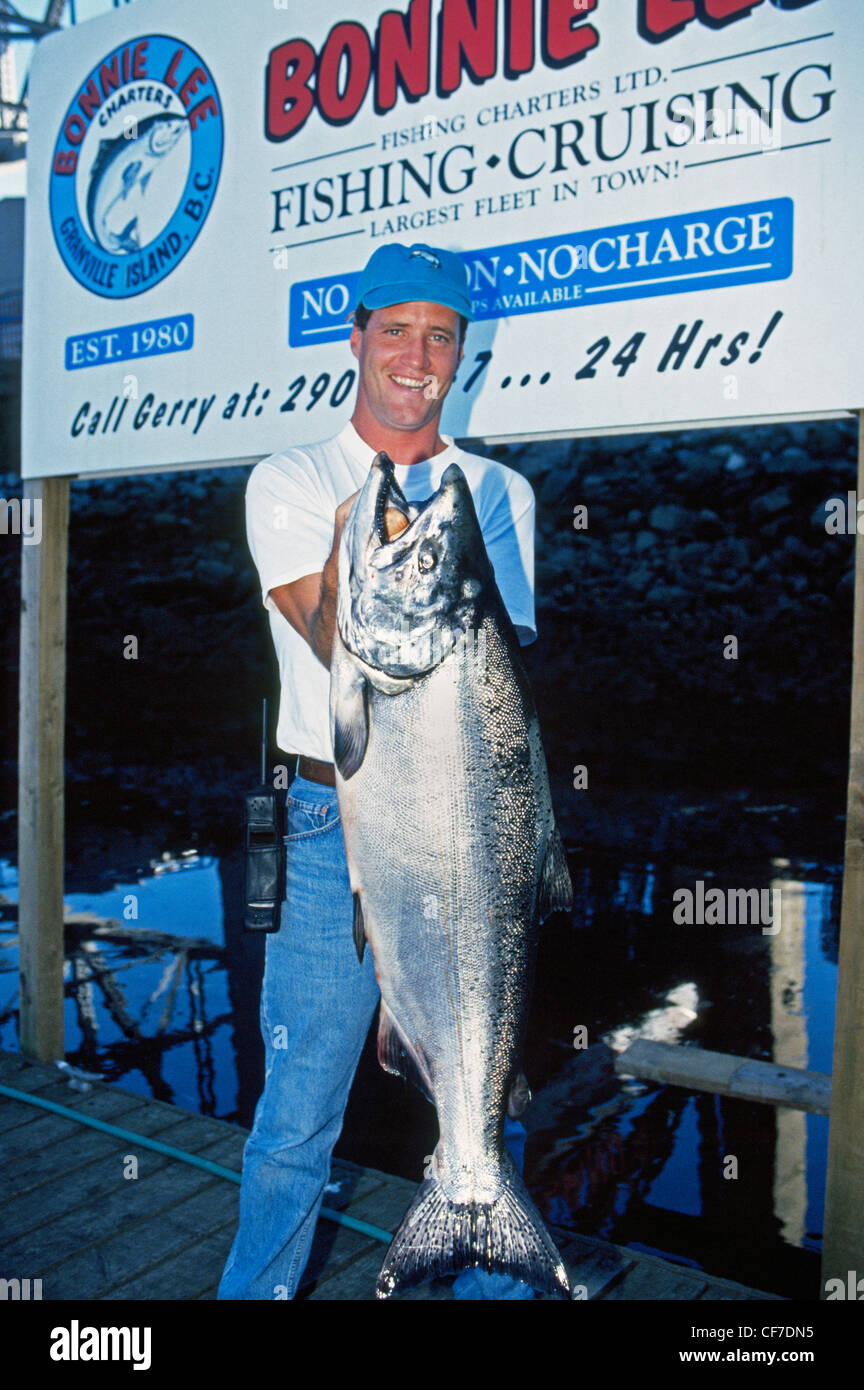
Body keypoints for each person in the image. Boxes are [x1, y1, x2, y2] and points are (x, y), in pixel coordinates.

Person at [218, 242, 537, 1301]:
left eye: (440, 335)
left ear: (462, 354)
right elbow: (330, 637)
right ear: (355, 339)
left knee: (481, 1089)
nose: (417, 354)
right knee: (297, 1109)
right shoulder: (292, 479)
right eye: (395, 329)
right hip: (323, 824)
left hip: (467, 835)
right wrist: (375, 530)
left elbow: (498, 678)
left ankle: (484, 1223)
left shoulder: (499, 492)